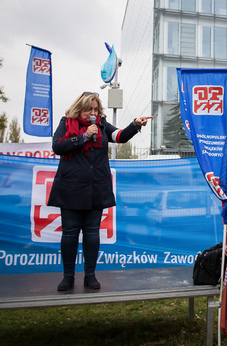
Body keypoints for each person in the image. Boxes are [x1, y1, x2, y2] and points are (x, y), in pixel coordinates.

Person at [48, 92, 151, 291]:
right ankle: (68, 276)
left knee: (92, 233)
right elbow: (57, 146)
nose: (93, 113)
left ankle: (90, 275)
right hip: (71, 188)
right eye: (90, 109)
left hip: (96, 187)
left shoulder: (102, 124)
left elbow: (119, 136)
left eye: (96, 109)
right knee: (69, 233)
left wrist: (136, 124)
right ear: (80, 108)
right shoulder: (66, 122)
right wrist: (84, 137)